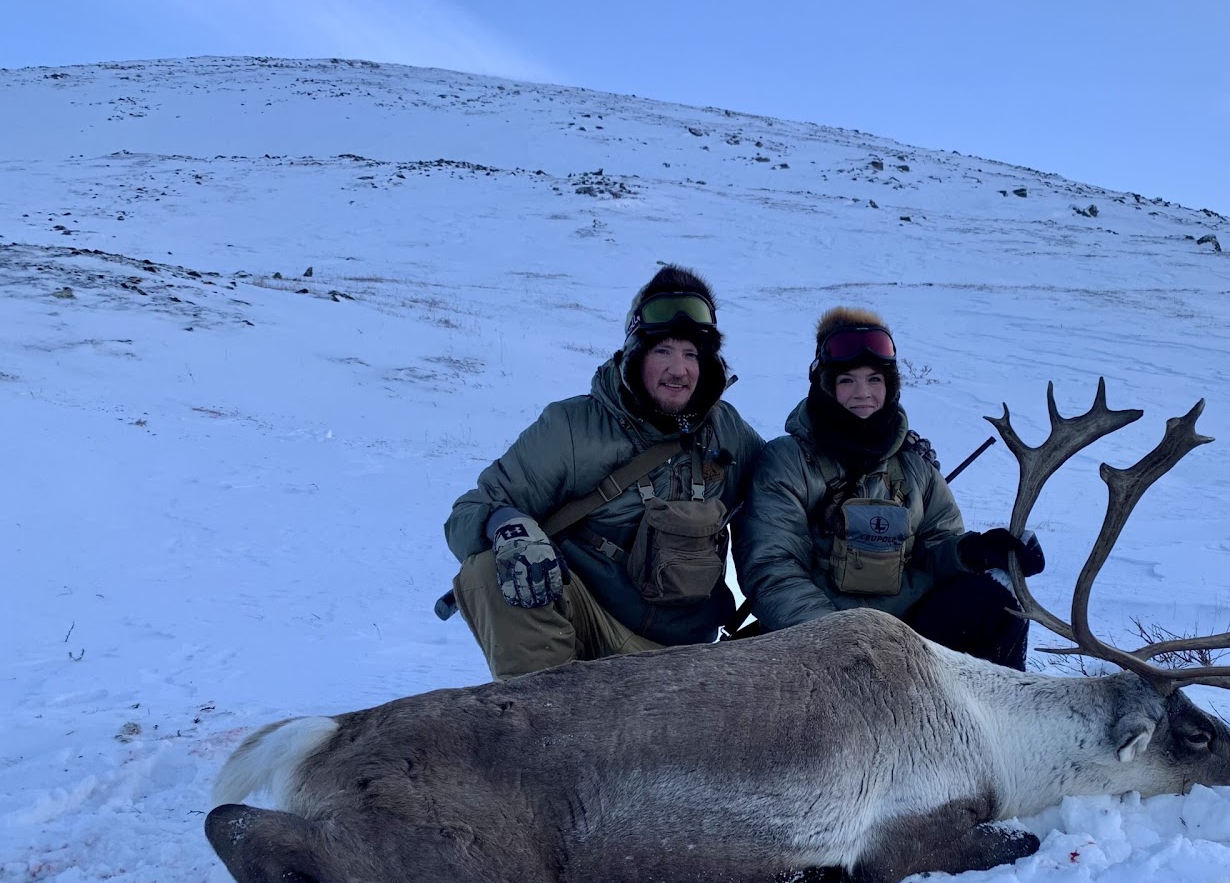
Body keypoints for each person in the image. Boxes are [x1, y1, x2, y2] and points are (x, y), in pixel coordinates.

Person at [445, 265, 764, 679]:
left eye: (691, 354)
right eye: (663, 351)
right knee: (490, 570)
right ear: (635, 353)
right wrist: (506, 524)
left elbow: (782, 497)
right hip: (594, 631)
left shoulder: (729, 431)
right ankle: (546, 724)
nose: (678, 370)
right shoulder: (572, 427)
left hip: (695, 655)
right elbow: (472, 509)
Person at [735, 307, 1045, 669]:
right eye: (847, 380)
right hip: (817, 643)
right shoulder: (787, 461)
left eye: (875, 380)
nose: (862, 393)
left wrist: (974, 551)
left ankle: (1000, 715)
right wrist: (840, 644)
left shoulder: (915, 465)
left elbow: (936, 549)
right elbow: (772, 568)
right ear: (826, 385)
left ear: (890, 386)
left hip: (906, 638)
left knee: (1000, 593)